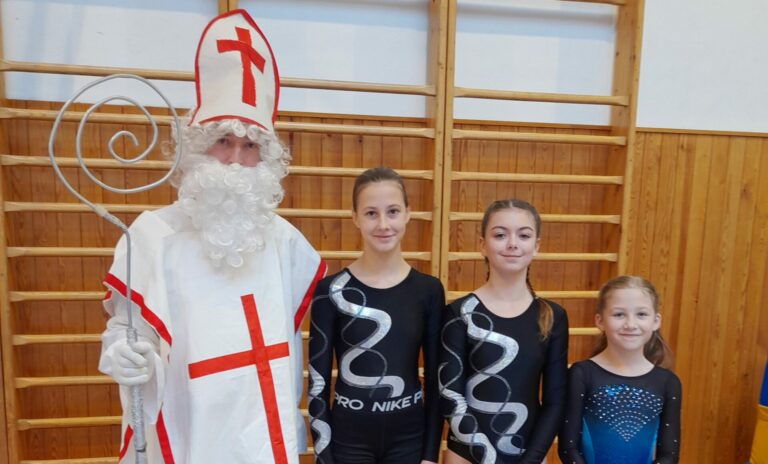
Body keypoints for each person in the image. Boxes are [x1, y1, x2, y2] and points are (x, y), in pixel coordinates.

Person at [97, 9, 325, 464]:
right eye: (223, 141)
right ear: (199, 148)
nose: (236, 159)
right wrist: (118, 351)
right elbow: (125, 327)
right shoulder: (153, 236)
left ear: (265, 158)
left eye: (249, 145)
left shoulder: (285, 243)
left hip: (262, 425)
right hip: (191, 425)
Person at [307, 167, 445, 464]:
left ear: (408, 213)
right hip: (347, 441)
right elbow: (317, 384)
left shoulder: (428, 290)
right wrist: (324, 456)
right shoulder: (330, 291)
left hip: (409, 440)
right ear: (355, 217)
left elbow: (436, 381)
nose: (383, 224)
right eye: (371, 213)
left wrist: (430, 455)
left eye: (393, 211)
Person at [440, 198, 569, 464]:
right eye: (500, 235)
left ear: (537, 246)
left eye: (524, 235)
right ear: (482, 245)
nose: (512, 243)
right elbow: (450, 395)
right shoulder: (459, 313)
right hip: (467, 455)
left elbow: (555, 402)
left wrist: (531, 459)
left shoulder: (552, 317)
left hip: (528, 456)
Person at [558, 275, 681, 464]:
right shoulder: (582, 374)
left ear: (656, 321)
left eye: (641, 314)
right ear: (600, 321)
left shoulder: (667, 382)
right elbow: (568, 448)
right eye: (619, 314)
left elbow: (669, 455)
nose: (630, 324)